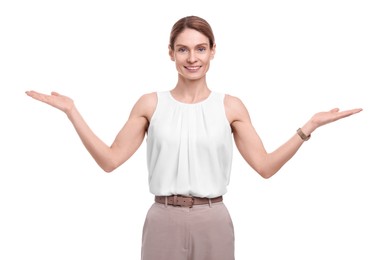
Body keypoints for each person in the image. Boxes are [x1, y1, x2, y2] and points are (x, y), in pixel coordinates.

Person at [25, 15, 362, 260]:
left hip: (213, 218)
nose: (192, 58)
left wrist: (308, 128)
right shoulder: (150, 103)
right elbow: (110, 160)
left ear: (213, 51)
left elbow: (265, 165)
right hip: (163, 219)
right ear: (170, 53)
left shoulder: (230, 106)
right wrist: (72, 111)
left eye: (200, 49)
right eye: (183, 50)